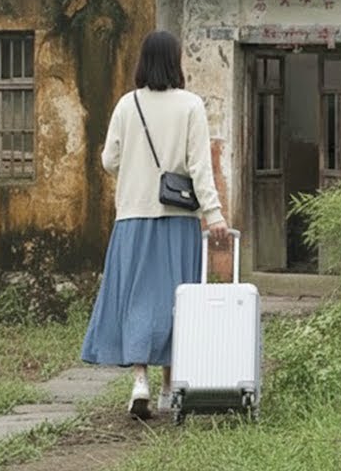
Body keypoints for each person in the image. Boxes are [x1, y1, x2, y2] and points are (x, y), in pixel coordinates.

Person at [80, 30, 228, 419]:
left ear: (143, 61)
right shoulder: (191, 105)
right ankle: (167, 387)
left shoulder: (126, 106)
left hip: (132, 217)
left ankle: (139, 382)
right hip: (178, 220)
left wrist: (135, 164)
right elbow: (199, 166)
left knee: (137, 299)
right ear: (176, 61)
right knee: (176, 302)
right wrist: (213, 215)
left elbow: (109, 161)